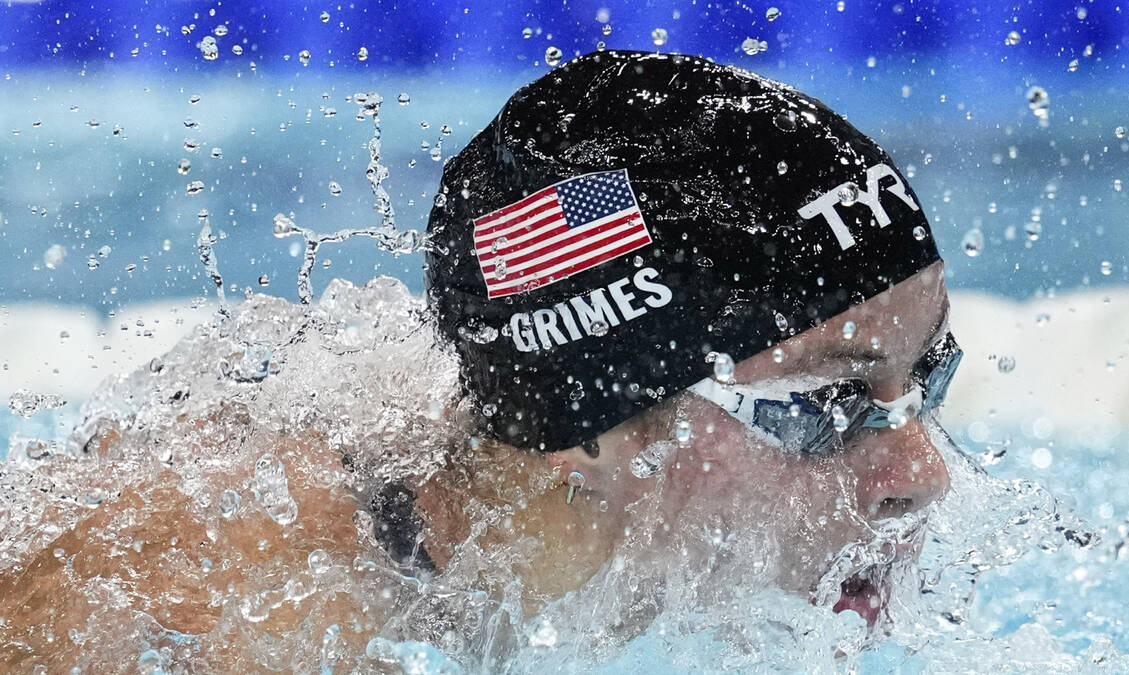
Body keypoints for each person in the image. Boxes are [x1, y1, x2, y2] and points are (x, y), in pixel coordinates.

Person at [0, 49, 959, 669]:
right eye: (824, 402)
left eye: (929, 378)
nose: (924, 475)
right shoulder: (222, 623)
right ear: (590, 421)